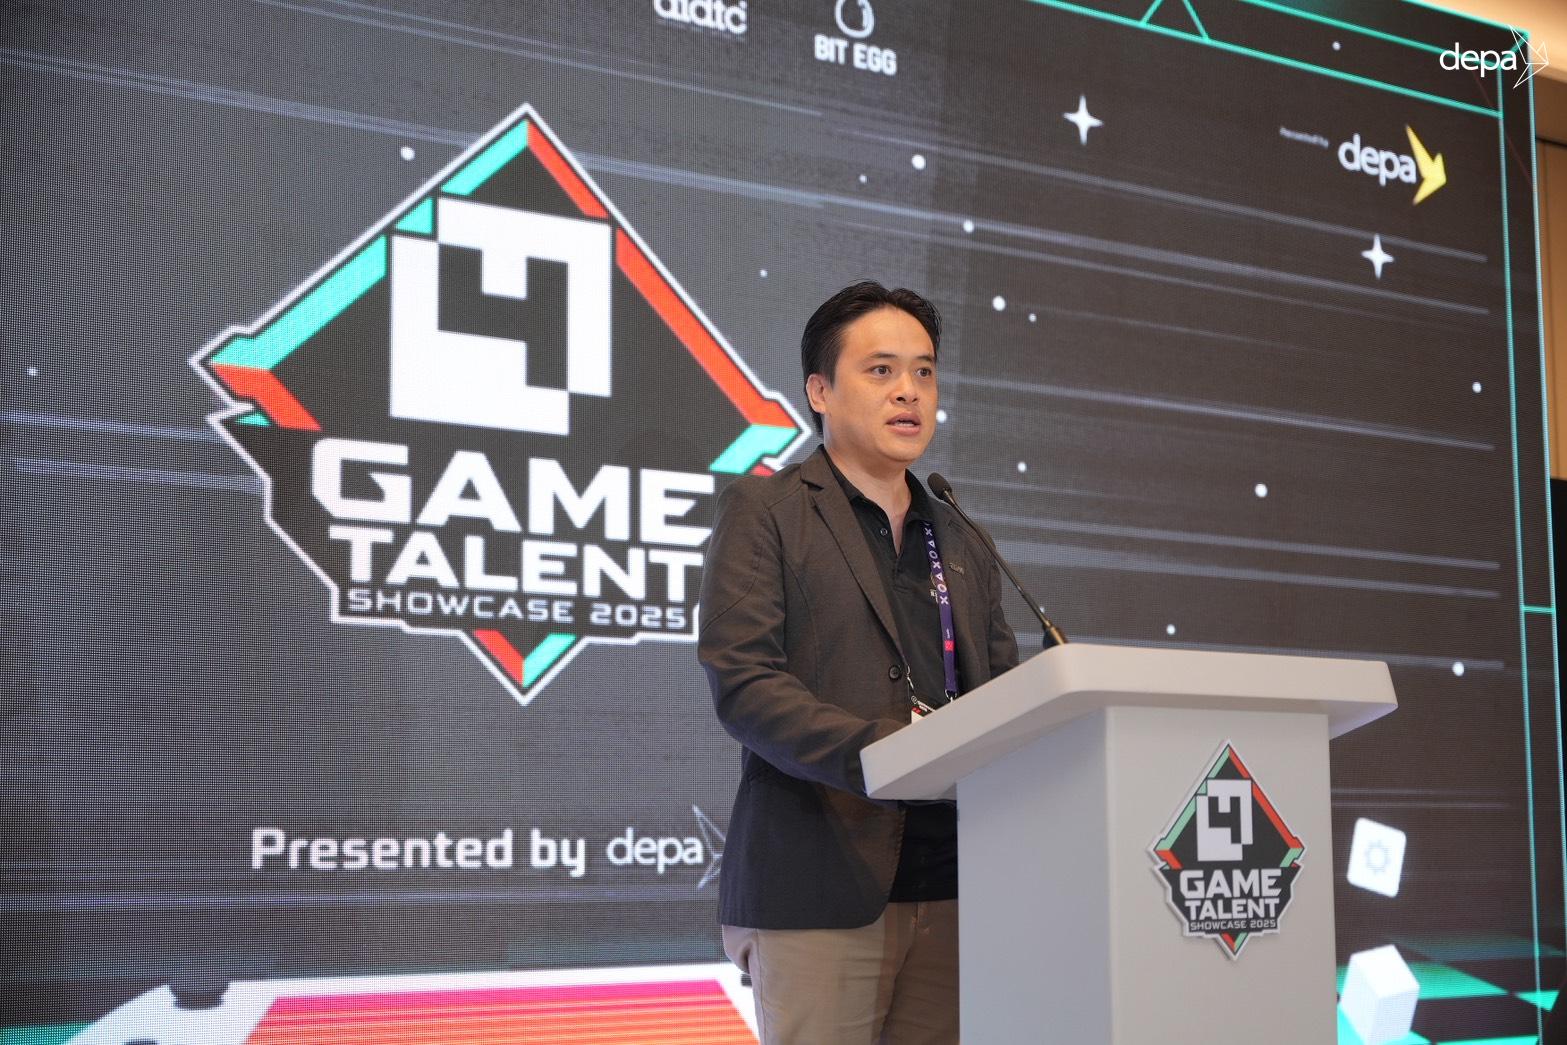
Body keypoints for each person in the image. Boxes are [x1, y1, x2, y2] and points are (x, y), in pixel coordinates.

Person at [698, 280, 1020, 1044]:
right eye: (881, 370)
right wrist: (884, 754)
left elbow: (1005, 689)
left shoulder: (960, 535)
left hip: (956, 885)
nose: (909, 390)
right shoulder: (767, 512)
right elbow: (744, 681)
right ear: (820, 390)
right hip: (819, 880)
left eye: (923, 371)